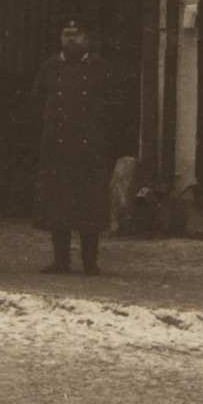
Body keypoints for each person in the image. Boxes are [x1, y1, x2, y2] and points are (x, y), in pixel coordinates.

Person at [34, 18, 126, 276]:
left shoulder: (99, 67)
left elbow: (116, 105)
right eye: (66, 34)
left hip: (89, 150)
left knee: (89, 208)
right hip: (57, 148)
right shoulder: (50, 67)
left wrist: (97, 129)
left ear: (87, 39)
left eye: (76, 34)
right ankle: (60, 260)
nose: (71, 39)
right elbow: (36, 102)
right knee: (58, 206)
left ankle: (90, 261)